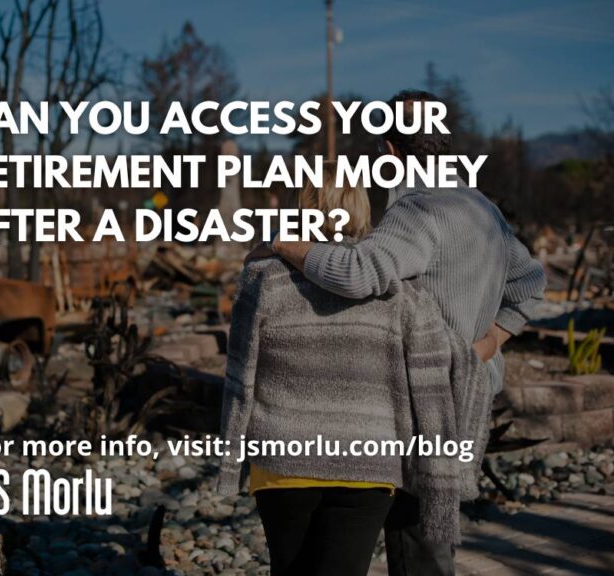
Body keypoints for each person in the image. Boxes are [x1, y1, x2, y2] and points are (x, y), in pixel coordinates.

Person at [262, 90, 548, 576]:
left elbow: (357, 272)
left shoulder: (418, 211)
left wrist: (286, 246)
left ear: (390, 151)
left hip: (425, 397)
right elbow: (530, 282)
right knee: (430, 532)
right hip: (469, 389)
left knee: (417, 539)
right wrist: (487, 345)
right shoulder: (482, 207)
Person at [218, 167, 493, 576]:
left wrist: (229, 462)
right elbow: (431, 384)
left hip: (283, 461)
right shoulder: (398, 288)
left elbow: (241, 376)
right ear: (363, 212)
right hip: (368, 464)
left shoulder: (264, 276)